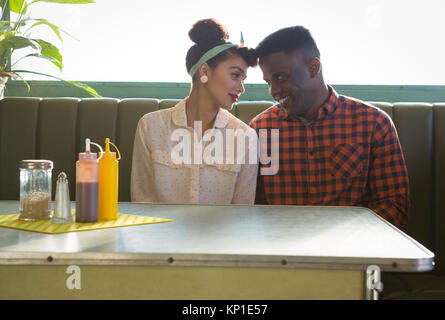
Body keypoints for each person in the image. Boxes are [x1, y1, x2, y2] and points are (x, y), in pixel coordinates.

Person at [249, 26, 410, 228]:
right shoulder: (259, 129)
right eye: (268, 82)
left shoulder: (374, 123)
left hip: (353, 253)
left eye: (280, 77)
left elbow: (394, 205)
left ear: (313, 68)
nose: (273, 90)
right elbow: (252, 205)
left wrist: (342, 240)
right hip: (282, 253)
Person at [131, 19, 258, 204]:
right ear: (204, 69)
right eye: (235, 75)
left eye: (243, 79)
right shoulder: (150, 127)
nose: (241, 88)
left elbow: (242, 215)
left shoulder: (246, 138)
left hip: (223, 234)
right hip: (162, 233)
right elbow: (143, 201)